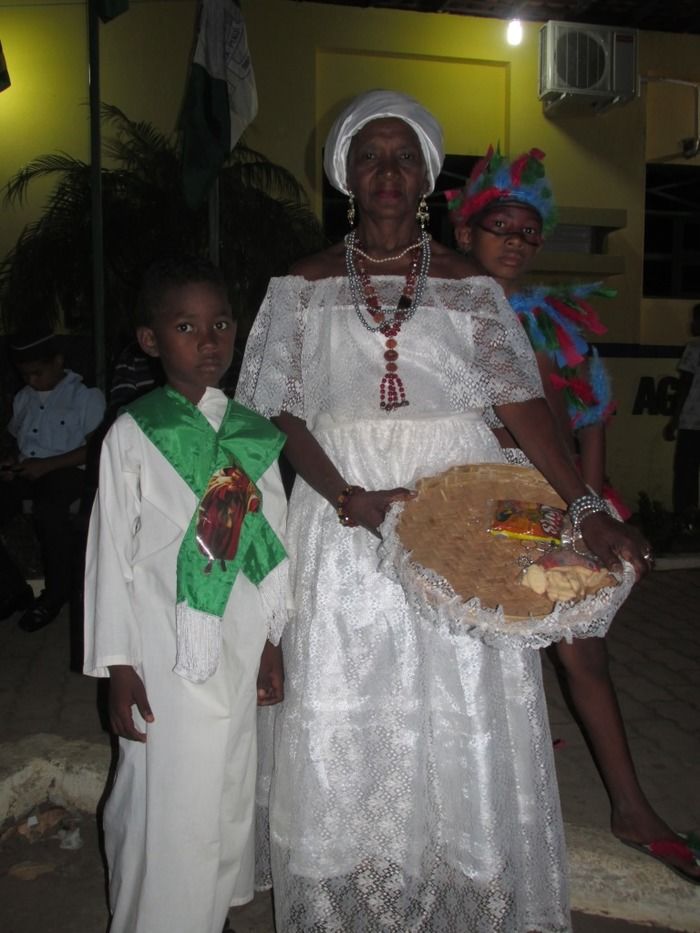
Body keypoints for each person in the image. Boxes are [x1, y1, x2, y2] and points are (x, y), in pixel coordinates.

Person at [235, 89, 651, 932]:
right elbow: (274, 410)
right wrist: (346, 496)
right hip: (344, 513)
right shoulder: (300, 285)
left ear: (427, 177)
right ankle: (352, 885)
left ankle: (460, 870)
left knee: (461, 688)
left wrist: (584, 506)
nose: (387, 171)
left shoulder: (470, 288)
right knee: (349, 688)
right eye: (370, 155)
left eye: (404, 157)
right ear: (347, 175)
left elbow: (524, 408)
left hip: (459, 510)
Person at [446, 147, 700, 886]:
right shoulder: (441, 318)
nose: (516, 241)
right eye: (500, 226)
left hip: (552, 504)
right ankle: (505, 774)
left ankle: (630, 808)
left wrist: (586, 509)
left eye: (529, 231)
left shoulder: (551, 319)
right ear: (465, 233)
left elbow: (589, 418)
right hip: (475, 504)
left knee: (582, 648)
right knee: (485, 644)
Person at [83, 257, 289, 933]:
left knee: (227, 776)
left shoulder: (253, 434)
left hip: (237, 638)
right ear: (150, 340)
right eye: (186, 326)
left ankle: (210, 908)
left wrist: (271, 643)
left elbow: (271, 542)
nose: (208, 341)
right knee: (165, 786)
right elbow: (110, 555)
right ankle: (159, 915)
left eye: (221, 324)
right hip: (162, 643)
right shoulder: (132, 433)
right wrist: (117, 664)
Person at [0, 329, 105, 631]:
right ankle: (12, 589)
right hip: (29, 469)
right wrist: (11, 462)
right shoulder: (24, 398)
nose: (31, 380)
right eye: (25, 375)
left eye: (37, 373)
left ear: (58, 362)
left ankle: (56, 594)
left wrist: (46, 466)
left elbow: (95, 449)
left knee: (49, 513)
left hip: (69, 470)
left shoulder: (85, 397)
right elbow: (18, 441)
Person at [664, 303, 700, 529]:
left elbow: (684, 385)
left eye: (695, 319)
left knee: (686, 471)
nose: (691, 324)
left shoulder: (694, 348)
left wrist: (674, 419)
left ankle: (685, 517)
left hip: (692, 421)